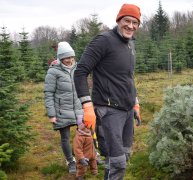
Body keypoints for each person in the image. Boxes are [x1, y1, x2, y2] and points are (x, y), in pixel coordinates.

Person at [74, 3, 141, 180]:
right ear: (119, 20)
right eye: (127, 21)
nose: (130, 26)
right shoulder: (104, 40)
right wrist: (87, 106)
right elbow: (80, 72)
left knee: (122, 157)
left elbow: (128, 76)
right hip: (109, 110)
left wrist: (135, 102)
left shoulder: (130, 44)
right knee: (117, 162)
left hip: (126, 111)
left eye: (135, 23)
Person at [44, 41, 82, 175]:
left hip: (78, 109)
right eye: (66, 58)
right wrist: (51, 114)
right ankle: (70, 161)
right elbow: (48, 93)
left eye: (71, 57)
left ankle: (88, 156)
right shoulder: (53, 71)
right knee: (65, 137)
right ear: (60, 58)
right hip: (61, 110)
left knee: (84, 133)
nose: (69, 60)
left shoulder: (78, 68)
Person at [73, 115, 98, 179]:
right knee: (82, 166)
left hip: (92, 153)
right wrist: (81, 158)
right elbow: (77, 149)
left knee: (93, 162)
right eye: (86, 126)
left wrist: (95, 149)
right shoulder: (79, 137)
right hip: (84, 156)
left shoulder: (89, 132)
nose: (88, 127)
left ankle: (94, 171)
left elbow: (93, 141)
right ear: (81, 126)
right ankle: (80, 175)